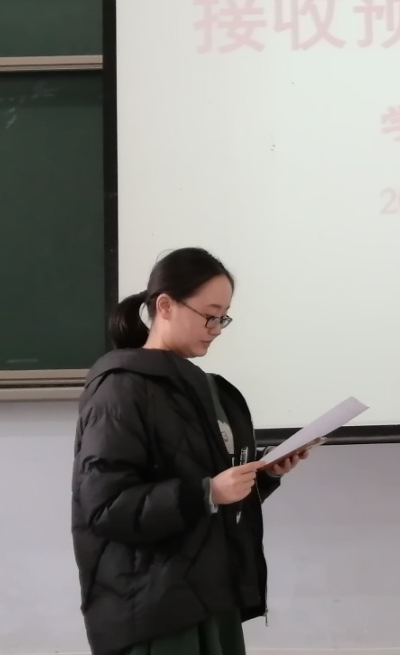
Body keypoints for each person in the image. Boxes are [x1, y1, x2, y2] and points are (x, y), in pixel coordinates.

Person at [71, 247, 311, 655]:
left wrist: (264, 475)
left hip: (212, 595)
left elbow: (214, 492)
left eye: (224, 317)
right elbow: (106, 508)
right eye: (209, 315)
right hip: (156, 609)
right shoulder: (120, 388)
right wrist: (207, 492)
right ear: (165, 305)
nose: (216, 328)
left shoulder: (211, 390)